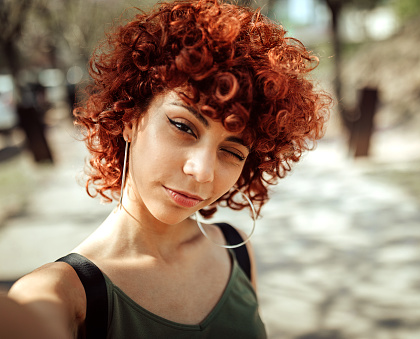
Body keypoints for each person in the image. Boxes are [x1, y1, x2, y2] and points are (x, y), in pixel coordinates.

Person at [6, 0, 331, 337]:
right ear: (130, 118)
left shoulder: (237, 252)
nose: (202, 170)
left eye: (231, 152)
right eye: (183, 127)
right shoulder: (61, 293)